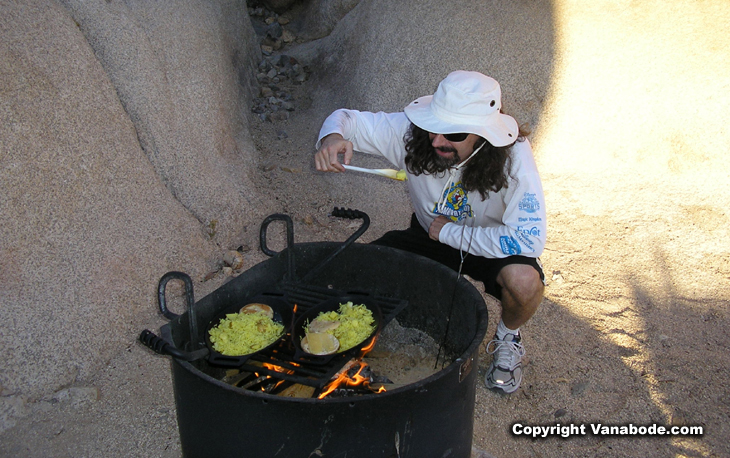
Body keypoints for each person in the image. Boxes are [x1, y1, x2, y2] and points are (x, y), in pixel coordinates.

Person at [314, 70, 546, 394]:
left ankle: (508, 335)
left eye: (453, 133)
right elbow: (346, 119)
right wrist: (332, 139)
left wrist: (451, 233)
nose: (437, 141)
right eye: (435, 127)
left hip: (491, 242)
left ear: (483, 133)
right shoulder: (413, 133)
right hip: (429, 236)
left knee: (525, 284)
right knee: (363, 267)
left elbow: (529, 239)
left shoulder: (514, 155)